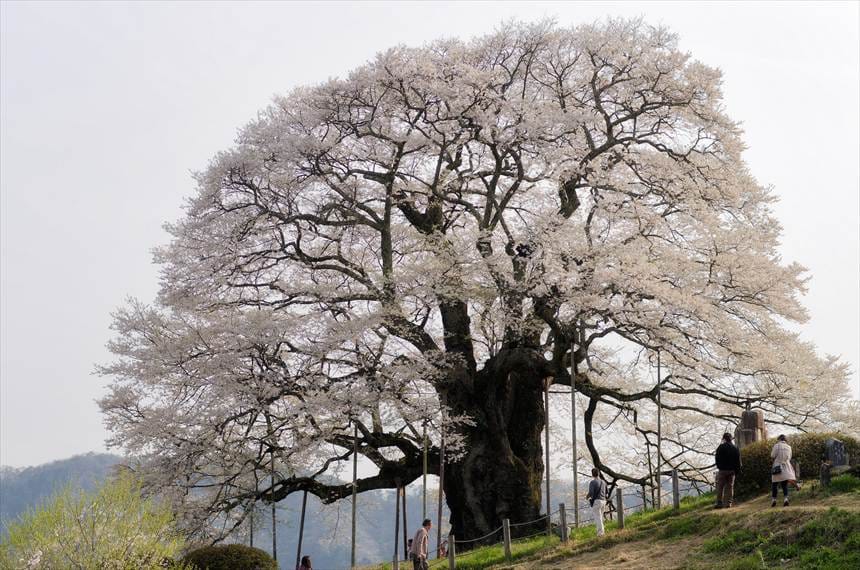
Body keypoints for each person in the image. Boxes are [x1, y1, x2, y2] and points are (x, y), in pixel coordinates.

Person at [714, 432, 741, 508]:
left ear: (724, 439)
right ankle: (729, 503)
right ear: (731, 439)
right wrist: (737, 470)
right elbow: (738, 460)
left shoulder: (721, 447)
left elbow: (717, 458)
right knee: (730, 487)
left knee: (720, 487)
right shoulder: (735, 448)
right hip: (732, 470)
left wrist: (719, 466)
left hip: (722, 470)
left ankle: (719, 503)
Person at [771, 434, 797, 507]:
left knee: (774, 484)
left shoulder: (777, 446)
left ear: (779, 439)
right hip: (786, 466)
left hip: (777, 466)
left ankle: (774, 500)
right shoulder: (789, 447)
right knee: (784, 484)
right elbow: (790, 457)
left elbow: (772, 455)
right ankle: (786, 499)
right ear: (785, 440)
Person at [585, 467, 607, 537]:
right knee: (600, 517)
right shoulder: (604, 482)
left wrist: (587, 497)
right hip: (604, 500)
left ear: (592, 474)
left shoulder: (592, 482)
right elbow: (607, 492)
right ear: (599, 473)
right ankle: (602, 532)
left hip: (597, 501)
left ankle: (600, 534)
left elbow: (591, 493)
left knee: (598, 518)